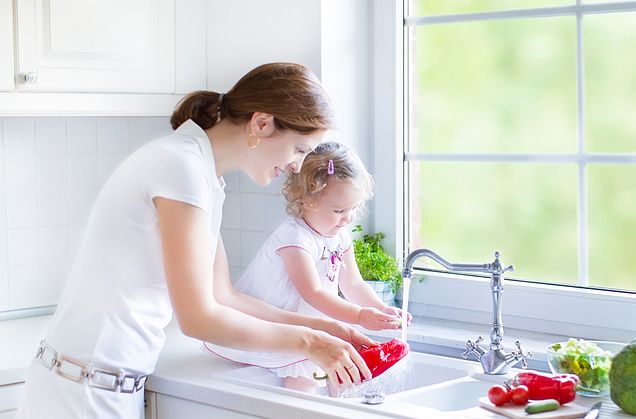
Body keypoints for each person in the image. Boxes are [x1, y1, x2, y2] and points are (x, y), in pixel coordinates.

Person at [15, 63, 375, 419]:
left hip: (101, 386)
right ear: (261, 123)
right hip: (82, 394)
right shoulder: (180, 168)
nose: (298, 166)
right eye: (299, 149)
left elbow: (224, 296)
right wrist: (309, 343)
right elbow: (198, 317)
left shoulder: (203, 176)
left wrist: (324, 327)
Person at [205, 142, 411, 393]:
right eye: (339, 210)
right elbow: (313, 293)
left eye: (353, 208)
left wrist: (380, 309)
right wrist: (359, 316)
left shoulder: (339, 234)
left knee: (337, 372)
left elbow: (353, 283)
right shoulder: (293, 238)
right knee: (302, 377)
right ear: (307, 199)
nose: (348, 218)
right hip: (277, 326)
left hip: (311, 325)